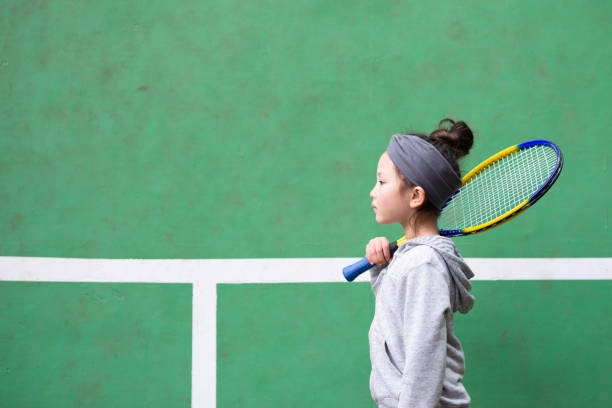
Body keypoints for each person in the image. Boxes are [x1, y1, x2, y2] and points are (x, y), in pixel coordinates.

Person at [365, 119, 475, 408]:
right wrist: (380, 268)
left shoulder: (423, 264)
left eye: (381, 181)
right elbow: (394, 320)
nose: (373, 192)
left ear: (415, 196)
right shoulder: (410, 258)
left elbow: (425, 357)